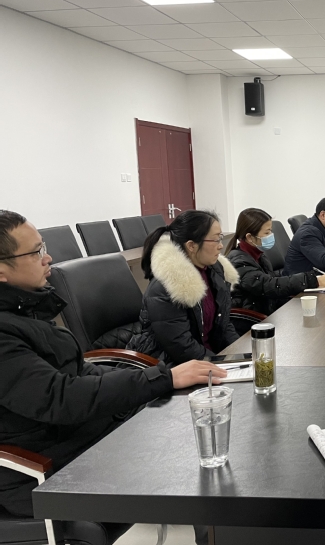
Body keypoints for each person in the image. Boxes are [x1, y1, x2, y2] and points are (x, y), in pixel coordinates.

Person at [0, 210, 226, 517]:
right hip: (45, 468)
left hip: (84, 436)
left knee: (195, 427)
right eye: (36, 251)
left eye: (44, 247)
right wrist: (162, 378)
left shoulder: (25, 310)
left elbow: (80, 370)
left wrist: (150, 381)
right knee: (191, 458)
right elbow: (61, 397)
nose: (48, 258)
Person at [128, 210, 240, 365]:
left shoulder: (215, 270)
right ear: (191, 245)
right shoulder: (167, 286)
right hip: (171, 366)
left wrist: (241, 355)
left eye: (220, 238)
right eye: (215, 240)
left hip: (208, 358)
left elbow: (223, 324)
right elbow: (182, 347)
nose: (221, 246)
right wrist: (220, 365)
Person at [226, 208, 325, 315]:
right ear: (250, 237)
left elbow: (273, 283)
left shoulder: (259, 256)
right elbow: (269, 285)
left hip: (269, 309)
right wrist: (312, 280)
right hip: (252, 319)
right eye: (267, 233)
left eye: (271, 231)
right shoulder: (239, 262)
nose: (271, 236)